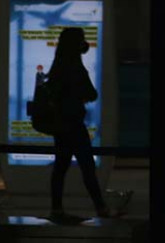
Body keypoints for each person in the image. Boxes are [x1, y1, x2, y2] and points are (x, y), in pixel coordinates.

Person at [46, 27, 116, 219]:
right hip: (74, 125)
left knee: (60, 168)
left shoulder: (58, 65)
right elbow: (91, 93)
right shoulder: (75, 67)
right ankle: (101, 207)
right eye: (82, 40)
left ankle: (56, 208)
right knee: (87, 167)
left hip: (60, 125)